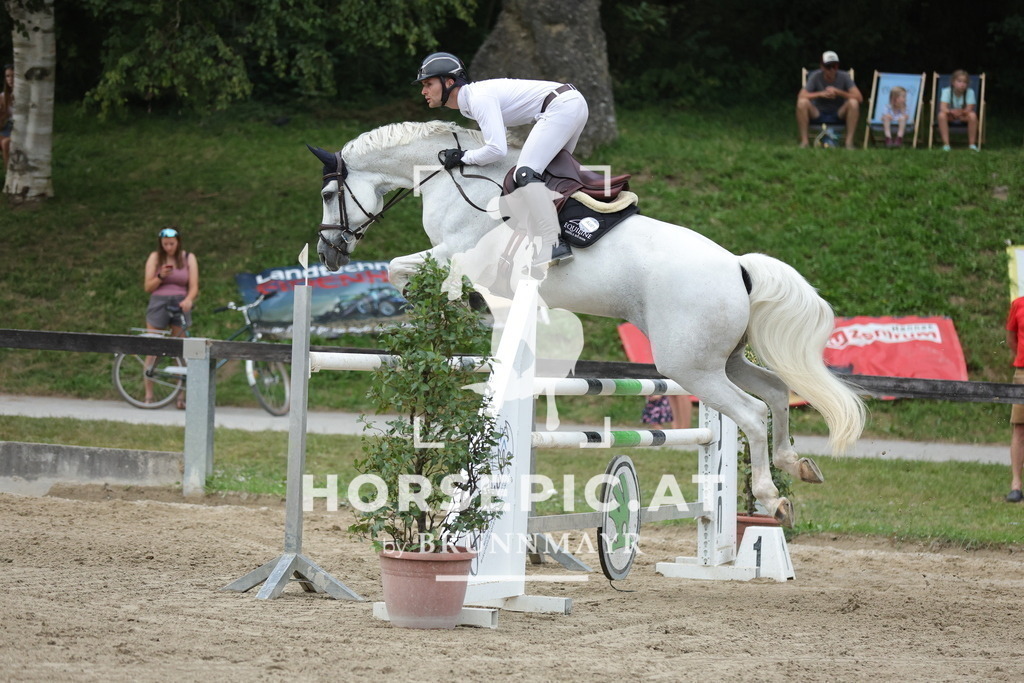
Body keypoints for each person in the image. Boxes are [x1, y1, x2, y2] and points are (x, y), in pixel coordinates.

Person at [413, 51, 588, 266]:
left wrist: (463, 157)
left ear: (449, 82)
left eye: (428, 84)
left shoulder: (478, 99)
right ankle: (576, 226)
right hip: (570, 102)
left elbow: (497, 149)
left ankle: (553, 243)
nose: (424, 91)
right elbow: (500, 140)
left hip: (560, 106)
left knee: (525, 172)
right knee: (552, 172)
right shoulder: (471, 103)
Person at [144, 226, 199, 408]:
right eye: (165, 244)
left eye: (172, 244)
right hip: (159, 303)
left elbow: (193, 285)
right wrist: (160, 276)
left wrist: (189, 300)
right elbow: (148, 286)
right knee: (153, 348)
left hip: (179, 304)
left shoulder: (188, 257)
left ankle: (180, 396)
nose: (169, 247)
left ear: (178, 242)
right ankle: (149, 395)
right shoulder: (155, 258)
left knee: (180, 350)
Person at [796, 50, 862, 150]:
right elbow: (801, 95)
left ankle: (849, 143)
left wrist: (839, 92)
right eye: (828, 67)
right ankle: (804, 142)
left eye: (834, 66)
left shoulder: (844, 76)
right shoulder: (816, 76)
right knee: (802, 103)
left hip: (839, 112)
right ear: (822, 67)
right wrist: (820, 94)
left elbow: (859, 97)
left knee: (854, 103)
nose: (831, 70)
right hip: (818, 112)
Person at [1005, 297, 1024, 502]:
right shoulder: (1018, 304)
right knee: (1019, 428)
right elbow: (1011, 339)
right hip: (1023, 371)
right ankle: (1016, 485)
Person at [938, 69, 978, 152]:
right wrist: (951, 112)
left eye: (965, 82)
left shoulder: (970, 92)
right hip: (950, 115)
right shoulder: (947, 91)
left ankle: (972, 144)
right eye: (959, 81)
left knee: (973, 115)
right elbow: (943, 107)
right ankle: (946, 145)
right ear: (953, 82)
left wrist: (960, 112)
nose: (962, 84)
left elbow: (969, 108)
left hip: (964, 116)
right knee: (941, 115)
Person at [1, 64, 14, 170]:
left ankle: (8, 175)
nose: (10, 79)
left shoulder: (25, 95)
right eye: (8, 76)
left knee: (5, 144)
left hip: (18, 130)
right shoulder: (2, 97)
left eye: (13, 76)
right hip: (5, 129)